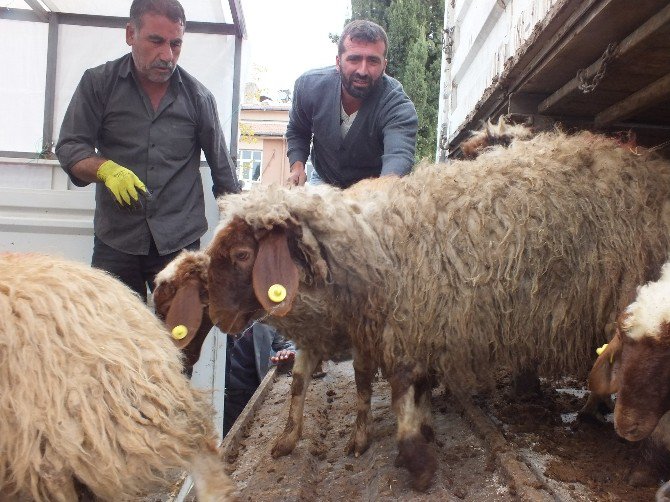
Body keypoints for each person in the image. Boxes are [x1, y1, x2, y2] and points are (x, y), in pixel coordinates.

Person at [55, 0, 241, 302]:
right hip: (116, 239)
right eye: (156, 41)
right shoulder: (99, 84)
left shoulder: (198, 97)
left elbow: (224, 173)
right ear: (131, 34)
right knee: (114, 334)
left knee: (181, 337)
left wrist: (239, 232)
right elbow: (70, 146)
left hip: (178, 243)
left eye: (175, 44)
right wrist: (105, 169)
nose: (167, 55)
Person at [285, 19, 418, 189]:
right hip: (324, 181)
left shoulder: (398, 106)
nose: (362, 70)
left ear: (384, 65)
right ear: (338, 62)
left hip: (374, 190)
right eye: (354, 59)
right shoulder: (308, 87)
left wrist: (382, 194)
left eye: (373, 61)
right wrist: (297, 167)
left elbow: (399, 156)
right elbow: (298, 130)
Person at [223, 322, 295, 437]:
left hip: (253, 393)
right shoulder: (212, 316)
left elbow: (288, 344)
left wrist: (287, 353)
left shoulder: (268, 317)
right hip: (218, 397)